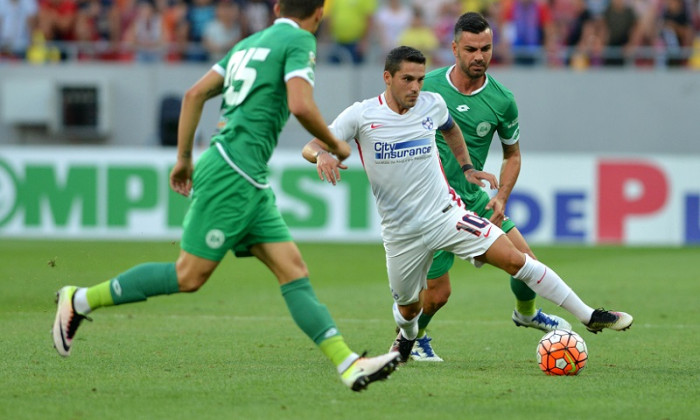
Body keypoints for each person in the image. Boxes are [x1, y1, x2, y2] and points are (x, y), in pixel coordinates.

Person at [51, 0, 400, 392]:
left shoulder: (247, 44)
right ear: (319, 13)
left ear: (276, 7)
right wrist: (335, 143)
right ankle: (79, 299)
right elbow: (300, 104)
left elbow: (193, 95)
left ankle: (348, 364)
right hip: (233, 172)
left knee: (294, 270)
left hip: (246, 176)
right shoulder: (300, 41)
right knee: (188, 275)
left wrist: (182, 159)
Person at [302, 45, 633, 363]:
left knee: (518, 260)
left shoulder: (432, 104)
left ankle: (588, 315)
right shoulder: (362, 114)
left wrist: (467, 167)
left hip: (447, 215)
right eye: (408, 79)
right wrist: (322, 156)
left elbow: (451, 130)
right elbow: (312, 145)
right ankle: (407, 337)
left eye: (420, 79)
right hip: (401, 234)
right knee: (408, 307)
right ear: (387, 78)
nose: (416, 87)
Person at [407, 11, 575, 363]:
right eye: (471, 49)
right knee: (438, 294)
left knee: (528, 265)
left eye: (486, 48)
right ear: (454, 48)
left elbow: (512, 155)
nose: (479, 56)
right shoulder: (427, 86)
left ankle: (526, 314)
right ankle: (411, 338)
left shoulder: (502, 100)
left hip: (472, 199)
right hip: (431, 204)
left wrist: (500, 197)